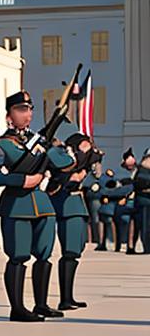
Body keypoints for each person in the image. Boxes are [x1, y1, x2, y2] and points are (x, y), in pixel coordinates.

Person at [0, 91, 75, 321]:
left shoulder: (41, 141)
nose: (28, 114)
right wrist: (20, 180)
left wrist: (54, 148)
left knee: (44, 254)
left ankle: (41, 304)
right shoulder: (1, 143)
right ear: (9, 116)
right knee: (18, 255)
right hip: (15, 205)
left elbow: (66, 164)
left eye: (30, 109)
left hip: (42, 204)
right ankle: (18, 308)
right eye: (21, 110)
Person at [48, 132, 97, 310]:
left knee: (75, 251)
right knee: (69, 252)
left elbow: (94, 178)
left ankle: (68, 296)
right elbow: (62, 177)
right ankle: (65, 298)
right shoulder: (61, 156)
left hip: (76, 205)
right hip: (67, 205)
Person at [135, 148, 150, 253]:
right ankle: (147, 247)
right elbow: (140, 183)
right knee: (146, 226)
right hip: (144, 200)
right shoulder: (142, 169)